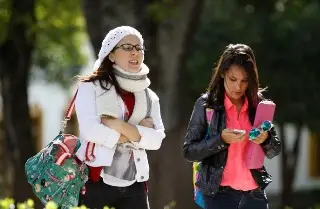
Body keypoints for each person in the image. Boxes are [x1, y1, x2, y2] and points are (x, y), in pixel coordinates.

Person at [74, 26, 165, 209]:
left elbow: (156, 140)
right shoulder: (90, 87)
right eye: (127, 47)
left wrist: (116, 124)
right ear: (111, 54)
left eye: (139, 48)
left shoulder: (149, 96)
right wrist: (138, 131)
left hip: (135, 182)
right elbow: (91, 131)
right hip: (94, 179)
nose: (135, 52)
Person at [183, 44, 281, 209]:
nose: (238, 87)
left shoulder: (258, 104)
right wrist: (221, 139)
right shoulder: (207, 105)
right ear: (222, 74)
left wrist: (266, 139)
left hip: (255, 196)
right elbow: (189, 151)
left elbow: (274, 150)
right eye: (233, 79)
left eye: (244, 80)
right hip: (219, 196)